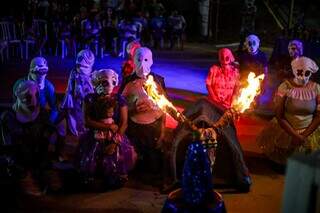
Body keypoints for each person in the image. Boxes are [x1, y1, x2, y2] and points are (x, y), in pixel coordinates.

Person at [171, 48, 252, 192]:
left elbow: (237, 90)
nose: (224, 58)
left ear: (231, 57)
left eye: (227, 56)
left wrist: (231, 105)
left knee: (228, 134)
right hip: (213, 103)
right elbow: (209, 85)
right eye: (221, 56)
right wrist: (216, 101)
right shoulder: (214, 69)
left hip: (228, 106)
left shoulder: (235, 73)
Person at [76, 69, 136, 189]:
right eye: (104, 83)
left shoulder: (119, 99)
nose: (109, 86)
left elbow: (124, 123)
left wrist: (115, 142)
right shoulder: (90, 99)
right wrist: (108, 126)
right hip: (95, 135)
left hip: (114, 136)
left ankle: (114, 175)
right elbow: (86, 121)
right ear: (97, 83)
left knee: (116, 157)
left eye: (113, 82)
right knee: (91, 157)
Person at [1, 80, 60, 196]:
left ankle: (43, 171)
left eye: (35, 96)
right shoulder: (9, 118)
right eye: (27, 97)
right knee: (13, 164)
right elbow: (7, 146)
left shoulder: (42, 115)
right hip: (19, 155)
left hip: (37, 153)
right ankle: (24, 175)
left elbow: (49, 137)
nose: (33, 101)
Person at [257, 57, 320, 165]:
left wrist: (303, 136)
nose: (303, 77)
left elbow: (319, 116)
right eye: (300, 72)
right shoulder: (285, 87)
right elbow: (279, 115)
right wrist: (295, 136)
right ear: (295, 71)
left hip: (308, 131)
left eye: (307, 73)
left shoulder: (316, 88)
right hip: (285, 130)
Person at [121, 47, 166, 175]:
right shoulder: (128, 81)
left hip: (153, 129)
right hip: (134, 129)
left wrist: (162, 131)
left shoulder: (157, 81)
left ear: (151, 61)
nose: (142, 64)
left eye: (146, 60)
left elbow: (165, 106)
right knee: (134, 164)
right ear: (134, 61)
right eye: (139, 60)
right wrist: (132, 109)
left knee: (153, 166)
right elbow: (119, 106)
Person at [13, 57, 58, 124]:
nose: (42, 75)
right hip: (22, 117)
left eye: (44, 71)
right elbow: (14, 105)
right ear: (31, 71)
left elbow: (54, 108)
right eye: (39, 72)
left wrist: (50, 122)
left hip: (39, 119)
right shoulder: (19, 84)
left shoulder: (49, 87)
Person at [61, 49, 95, 136]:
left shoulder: (93, 75)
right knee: (74, 115)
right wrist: (67, 100)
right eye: (79, 65)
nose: (80, 68)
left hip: (88, 101)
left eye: (84, 66)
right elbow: (70, 88)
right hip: (76, 100)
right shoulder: (74, 72)